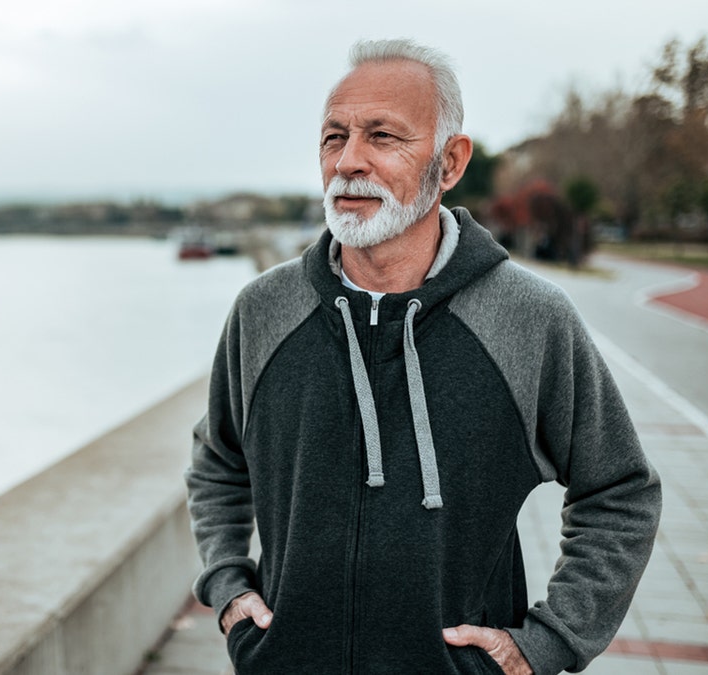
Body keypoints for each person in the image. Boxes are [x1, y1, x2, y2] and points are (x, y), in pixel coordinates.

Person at [184, 38, 661, 674]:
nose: (349, 161)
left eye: (382, 136)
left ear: (451, 161)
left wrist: (548, 643)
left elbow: (620, 490)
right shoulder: (263, 310)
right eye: (334, 137)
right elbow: (219, 461)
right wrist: (228, 588)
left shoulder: (528, 318)